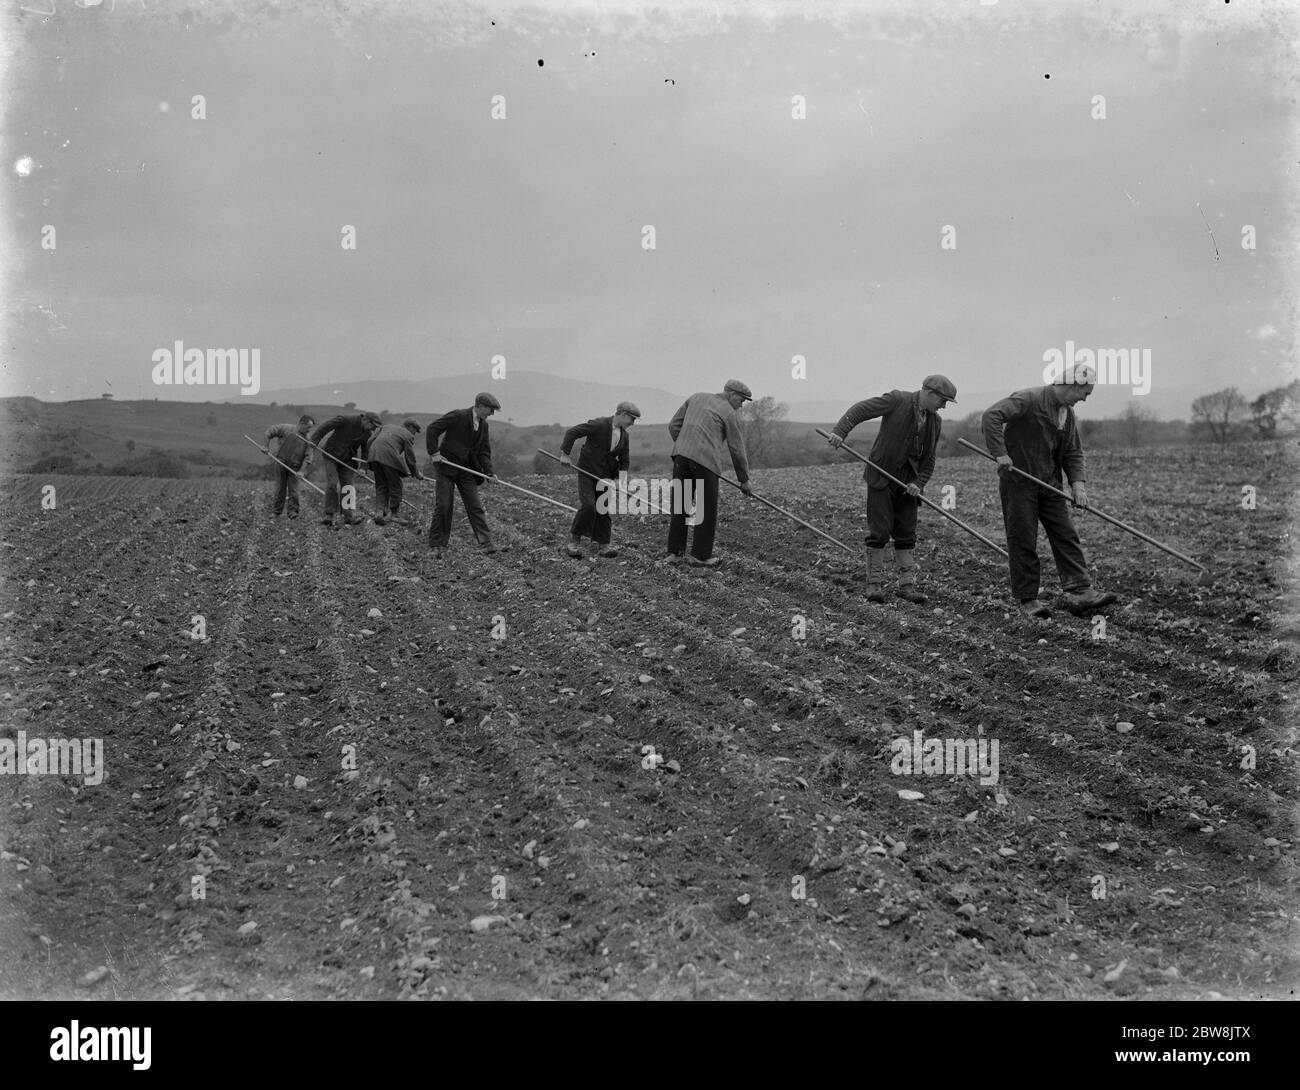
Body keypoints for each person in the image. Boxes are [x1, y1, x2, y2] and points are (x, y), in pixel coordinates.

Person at [980, 363, 1119, 618]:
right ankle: (1027, 600)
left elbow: (1073, 451)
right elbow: (991, 416)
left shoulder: (1067, 414)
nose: (1084, 399)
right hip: (1019, 483)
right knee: (1023, 539)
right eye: (1084, 393)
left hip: (1049, 484)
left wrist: (1078, 485)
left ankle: (1079, 591)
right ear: (1071, 385)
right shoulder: (1029, 399)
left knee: (1066, 534)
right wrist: (1000, 453)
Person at [827, 375, 956, 604]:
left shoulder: (935, 421)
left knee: (906, 532)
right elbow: (861, 410)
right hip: (881, 476)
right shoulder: (897, 400)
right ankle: (874, 586)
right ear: (929, 392)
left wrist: (919, 482)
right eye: (942, 400)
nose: (943, 406)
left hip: (909, 485)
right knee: (880, 530)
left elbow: (930, 458)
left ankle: (907, 587)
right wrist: (840, 431)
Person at [664, 380, 753, 568]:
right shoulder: (729, 413)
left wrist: (686, 446)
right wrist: (744, 480)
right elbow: (736, 448)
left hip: (681, 457)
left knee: (680, 505)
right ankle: (700, 556)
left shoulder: (696, 397)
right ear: (732, 394)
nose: (742, 404)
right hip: (706, 463)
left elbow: (673, 426)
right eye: (742, 400)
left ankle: (675, 553)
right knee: (706, 509)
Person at [426, 392, 508, 555]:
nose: (491, 414)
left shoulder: (484, 425)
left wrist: (490, 473)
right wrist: (434, 453)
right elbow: (432, 429)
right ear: (480, 406)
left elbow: (484, 451)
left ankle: (486, 543)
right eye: (490, 410)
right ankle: (437, 545)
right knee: (444, 505)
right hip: (446, 466)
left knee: (475, 505)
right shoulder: (458, 415)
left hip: (467, 470)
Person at [559, 401, 641, 558]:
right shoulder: (599, 424)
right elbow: (572, 432)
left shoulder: (625, 435)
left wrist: (619, 479)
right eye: (632, 419)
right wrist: (565, 454)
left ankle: (603, 545)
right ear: (623, 415)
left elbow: (625, 459)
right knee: (589, 506)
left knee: (602, 509)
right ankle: (574, 541)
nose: (633, 423)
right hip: (587, 471)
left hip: (605, 476)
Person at [310, 410, 382, 528]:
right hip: (331, 455)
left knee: (348, 486)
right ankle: (329, 515)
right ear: (365, 420)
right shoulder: (345, 420)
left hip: (348, 460)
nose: (373, 429)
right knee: (332, 484)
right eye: (372, 426)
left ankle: (349, 517)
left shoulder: (367, 433)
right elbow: (325, 427)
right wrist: (314, 441)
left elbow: (365, 451)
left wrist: (364, 468)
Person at [366, 419, 424, 526]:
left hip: (374, 455)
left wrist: (370, 455)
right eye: (415, 431)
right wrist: (416, 473)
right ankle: (394, 514)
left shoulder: (386, 426)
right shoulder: (407, 434)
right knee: (396, 485)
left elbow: (370, 440)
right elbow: (410, 458)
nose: (414, 434)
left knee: (381, 485)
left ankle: (380, 512)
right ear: (411, 427)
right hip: (388, 457)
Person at [262, 414, 315, 519]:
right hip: (280, 463)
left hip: (295, 468)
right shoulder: (285, 428)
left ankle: (293, 512)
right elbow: (269, 432)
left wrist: (301, 471)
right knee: (280, 489)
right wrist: (265, 446)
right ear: (301, 424)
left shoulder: (308, 439)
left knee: (294, 490)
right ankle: (276, 512)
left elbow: (308, 458)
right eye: (308, 427)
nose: (309, 430)